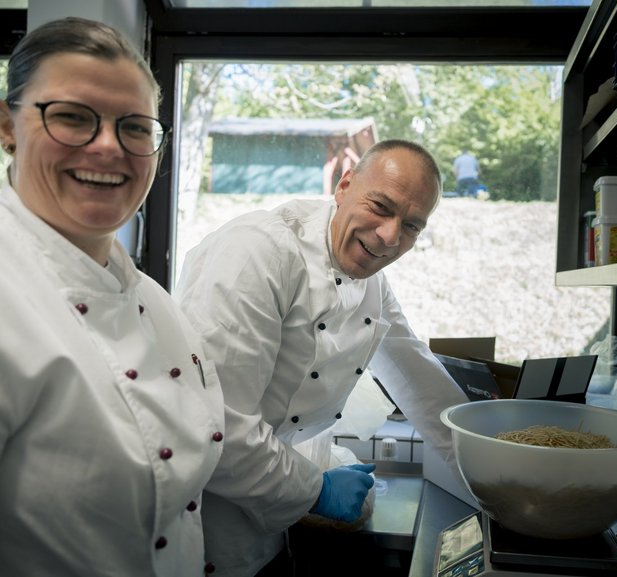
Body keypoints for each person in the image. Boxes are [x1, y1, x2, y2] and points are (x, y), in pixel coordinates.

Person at [175, 139, 470, 577]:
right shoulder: (257, 253)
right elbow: (216, 426)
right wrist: (317, 490)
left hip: (271, 519)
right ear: (344, 184)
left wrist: (491, 470)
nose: (390, 236)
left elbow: (417, 376)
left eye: (411, 226)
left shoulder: (370, 280)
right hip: (204, 528)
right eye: (381, 206)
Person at [0, 17, 225, 577]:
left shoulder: (152, 300)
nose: (107, 147)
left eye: (135, 127)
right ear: (6, 126)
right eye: (72, 117)